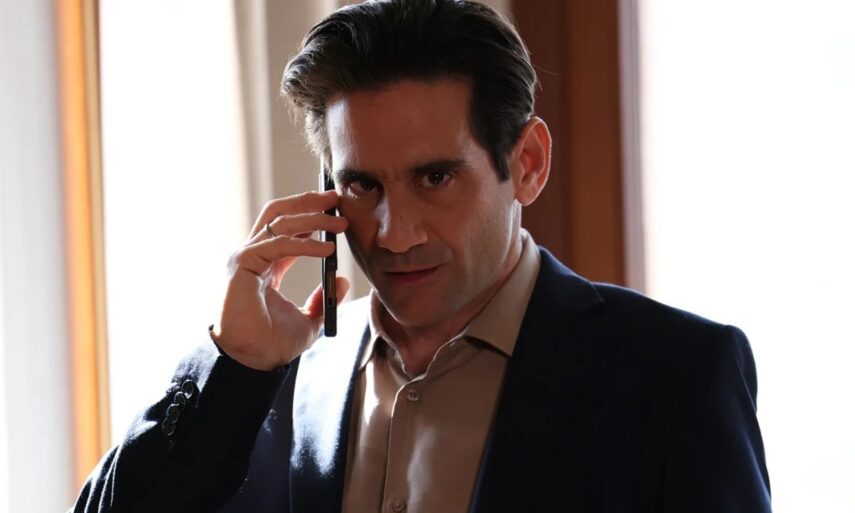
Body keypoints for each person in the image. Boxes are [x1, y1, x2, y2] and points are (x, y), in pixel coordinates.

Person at [70, 1, 771, 512]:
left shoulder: (673, 374)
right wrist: (233, 365)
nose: (393, 234)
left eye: (434, 178)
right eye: (361, 185)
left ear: (527, 163)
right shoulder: (273, 379)